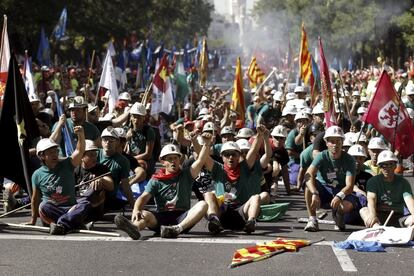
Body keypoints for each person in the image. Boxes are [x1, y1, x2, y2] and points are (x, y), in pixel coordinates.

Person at [114, 135, 212, 240]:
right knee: (144, 214)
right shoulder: (156, 180)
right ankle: (135, 228)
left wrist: (206, 143)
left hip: (182, 218)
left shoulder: (186, 174)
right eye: (169, 159)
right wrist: (136, 209)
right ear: (163, 162)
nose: (173, 161)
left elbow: (201, 160)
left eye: (175, 158)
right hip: (162, 218)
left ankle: (176, 230)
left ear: (180, 160)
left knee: (203, 204)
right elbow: (143, 197)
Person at [202, 125, 272, 234]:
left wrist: (259, 135)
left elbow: (253, 151)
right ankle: (214, 220)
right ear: (222, 156)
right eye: (227, 154)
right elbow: (203, 158)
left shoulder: (244, 167)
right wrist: (205, 143)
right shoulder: (217, 168)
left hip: (240, 213)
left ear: (238, 156)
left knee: (256, 197)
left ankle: (251, 222)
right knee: (208, 195)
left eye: (234, 154)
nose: (231, 157)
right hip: (221, 213)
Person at [29, 126, 87, 235]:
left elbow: (79, 151)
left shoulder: (67, 164)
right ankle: (73, 223)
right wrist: (32, 220)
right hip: (52, 211)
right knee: (43, 206)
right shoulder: (37, 175)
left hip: (70, 209)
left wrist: (81, 135)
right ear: (41, 155)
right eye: (50, 152)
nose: (55, 155)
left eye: (56, 151)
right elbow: (35, 199)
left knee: (83, 204)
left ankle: (61, 225)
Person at [304, 126, 359, 232]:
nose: (335, 145)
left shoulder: (349, 160)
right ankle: (312, 219)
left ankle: (338, 214)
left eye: (338, 141)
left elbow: (350, 186)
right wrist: (314, 192)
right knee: (308, 186)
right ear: (326, 143)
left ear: (342, 142)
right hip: (324, 189)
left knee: (347, 206)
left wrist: (339, 196)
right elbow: (308, 174)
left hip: (341, 190)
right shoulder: (322, 156)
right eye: (332, 141)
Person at [359, 150, 414, 228]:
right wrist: (373, 216)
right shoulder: (373, 181)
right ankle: (376, 228)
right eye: (383, 165)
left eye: (390, 164)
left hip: (398, 217)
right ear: (379, 167)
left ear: (395, 165)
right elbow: (371, 199)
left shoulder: (403, 183)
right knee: (364, 210)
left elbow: (409, 201)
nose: (387, 168)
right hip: (379, 217)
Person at [74, 140, 114, 221]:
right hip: (78, 205)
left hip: (94, 208)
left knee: (94, 189)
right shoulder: (75, 170)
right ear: (82, 156)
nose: (94, 158)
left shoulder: (102, 168)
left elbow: (111, 185)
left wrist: (102, 180)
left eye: (95, 155)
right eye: (91, 155)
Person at [97, 127, 133, 209]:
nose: (108, 143)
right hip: (89, 192)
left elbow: (125, 185)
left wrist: (134, 206)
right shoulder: (94, 154)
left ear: (117, 142)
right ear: (101, 141)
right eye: (105, 139)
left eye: (111, 140)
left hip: (109, 198)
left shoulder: (123, 161)